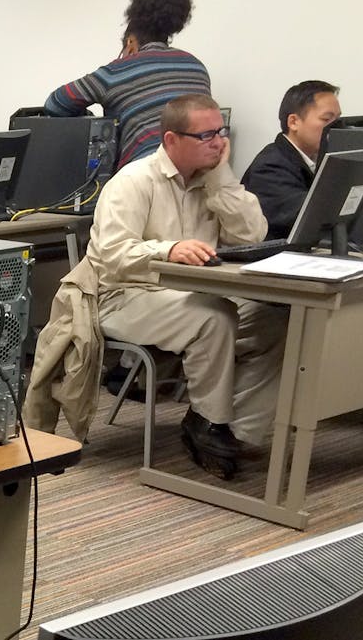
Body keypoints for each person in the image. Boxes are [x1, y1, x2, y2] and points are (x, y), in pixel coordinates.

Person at [86, 94, 285, 478]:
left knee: (273, 320)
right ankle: (210, 423)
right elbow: (111, 254)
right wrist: (169, 249)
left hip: (194, 294)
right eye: (205, 135)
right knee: (213, 318)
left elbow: (252, 235)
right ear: (171, 140)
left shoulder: (213, 181)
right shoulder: (133, 182)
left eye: (220, 132)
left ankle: (234, 431)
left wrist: (223, 180)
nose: (217, 142)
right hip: (126, 296)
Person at [45, 0, 210, 169]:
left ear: (130, 43)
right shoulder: (196, 66)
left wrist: (86, 112)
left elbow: (55, 103)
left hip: (146, 179)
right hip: (200, 177)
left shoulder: (116, 72)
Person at [242, 80, 342, 239]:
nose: (336, 127)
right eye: (326, 119)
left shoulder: (319, 159)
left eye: (338, 120)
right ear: (294, 122)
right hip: (275, 258)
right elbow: (310, 216)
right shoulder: (269, 167)